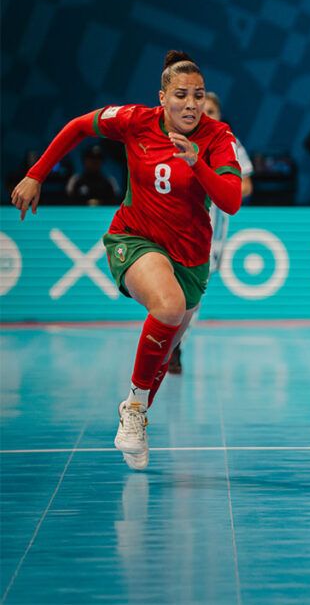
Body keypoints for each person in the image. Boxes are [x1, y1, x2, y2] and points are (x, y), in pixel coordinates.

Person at [10, 50, 242, 471]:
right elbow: (79, 126)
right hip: (134, 239)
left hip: (191, 257)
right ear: (162, 98)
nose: (191, 104)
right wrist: (37, 173)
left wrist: (197, 162)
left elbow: (230, 200)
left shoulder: (218, 136)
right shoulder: (136, 120)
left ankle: (134, 409)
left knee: (165, 346)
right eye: (181, 95)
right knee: (167, 306)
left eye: (198, 95)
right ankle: (134, 414)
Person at [167, 90, 254, 374]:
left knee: (194, 292)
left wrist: (216, 184)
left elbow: (245, 186)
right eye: (204, 112)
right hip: (175, 223)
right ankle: (165, 337)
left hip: (211, 231)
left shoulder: (228, 143)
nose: (207, 117)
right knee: (167, 285)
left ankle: (176, 345)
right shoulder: (176, 139)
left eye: (213, 113)